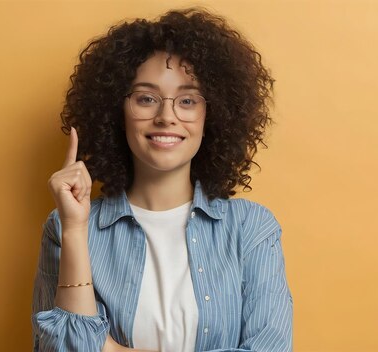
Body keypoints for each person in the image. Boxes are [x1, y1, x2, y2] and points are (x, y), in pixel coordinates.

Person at [32, 8, 292, 352]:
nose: (166, 117)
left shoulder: (251, 229)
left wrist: (111, 349)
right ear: (116, 111)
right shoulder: (65, 228)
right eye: (146, 98)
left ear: (210, 114)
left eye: (187, 100)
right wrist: (76, 231)